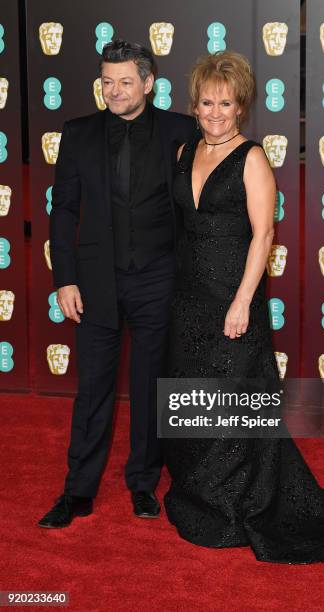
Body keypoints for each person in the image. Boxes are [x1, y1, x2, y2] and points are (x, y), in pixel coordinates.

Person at [163, 51, 324, 563]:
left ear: (241, 105)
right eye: (207, 102)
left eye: (225, 103)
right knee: (191, 397)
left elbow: (264, 234)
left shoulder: (251, 157)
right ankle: (200, 496)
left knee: (235, 401)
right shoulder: (185, 152)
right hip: (188, 299)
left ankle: (235, 503)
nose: (215, 112)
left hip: (233, 295)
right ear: (195, 104)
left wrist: (243, 301)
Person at [38, 40, 196, 528]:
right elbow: (63, 210)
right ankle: (78, 491)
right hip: (95, 282)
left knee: (151, 387)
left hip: (158, 279)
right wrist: (64, 280)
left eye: (126, 81)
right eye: (107, 81)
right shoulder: (78, 133)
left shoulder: (181, 129)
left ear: (148, 83)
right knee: (93, 390)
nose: (115, 91)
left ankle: (144, 484)